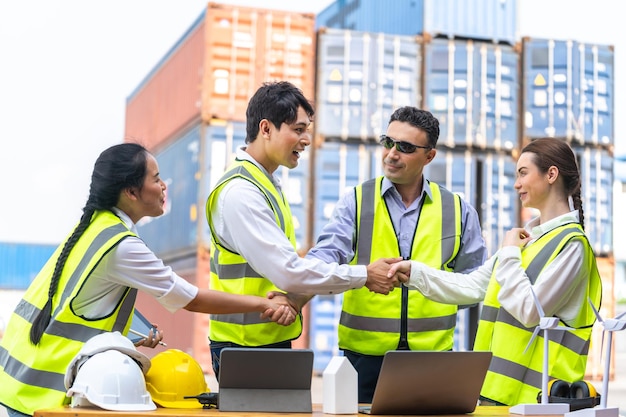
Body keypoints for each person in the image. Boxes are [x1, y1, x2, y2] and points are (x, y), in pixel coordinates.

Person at [0, 143, 296, 417]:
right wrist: (263, 303)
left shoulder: (94, 228)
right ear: (131, 191)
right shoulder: (121, 245)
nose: (163, 185)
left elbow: (78, 309)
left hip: (17, 385)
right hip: (40, 397)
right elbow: (190, 298)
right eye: (156, 179)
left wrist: (128, 338)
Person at [205, 81, 402, 378]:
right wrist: (364, 275)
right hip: (244, 349)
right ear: (266, 129)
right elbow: (289, 271)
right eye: (298, 130)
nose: (307, 139)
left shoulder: (266, 184)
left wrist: (293, 301)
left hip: (265, 341)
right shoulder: (241, 193)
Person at [387, 137, 602, 406]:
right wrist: (414, 273)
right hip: (494, 397)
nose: (516, 184)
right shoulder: (529, 241)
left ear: (551, 174)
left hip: (539, 403)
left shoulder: (572, 246)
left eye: (523, 173)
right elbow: (473, 286)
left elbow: (530, 310)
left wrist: (510, 252)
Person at [305, 106, 487, 403]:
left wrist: (425, 282)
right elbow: (321, 261)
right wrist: (294, 291)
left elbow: (475, 286)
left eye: (405, 147)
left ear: (429, 156)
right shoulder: (356, 201)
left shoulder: (457, 210)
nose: (391, 153)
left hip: (433, 361)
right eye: (387, 142)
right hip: (361, 361)